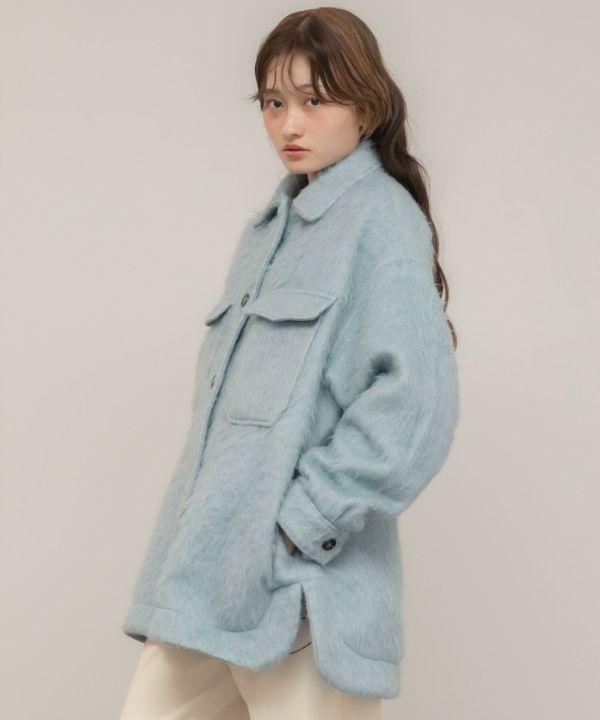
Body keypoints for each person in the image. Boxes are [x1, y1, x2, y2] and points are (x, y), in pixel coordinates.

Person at [119, 7, 460, 719]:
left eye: (313, 100)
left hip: (301, 590)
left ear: (365, 108)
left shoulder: (381, 220)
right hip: (204, 581)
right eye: (274, 104)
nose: (288, 125)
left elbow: (415, 407)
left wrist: (301, 526)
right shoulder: (268, 232)